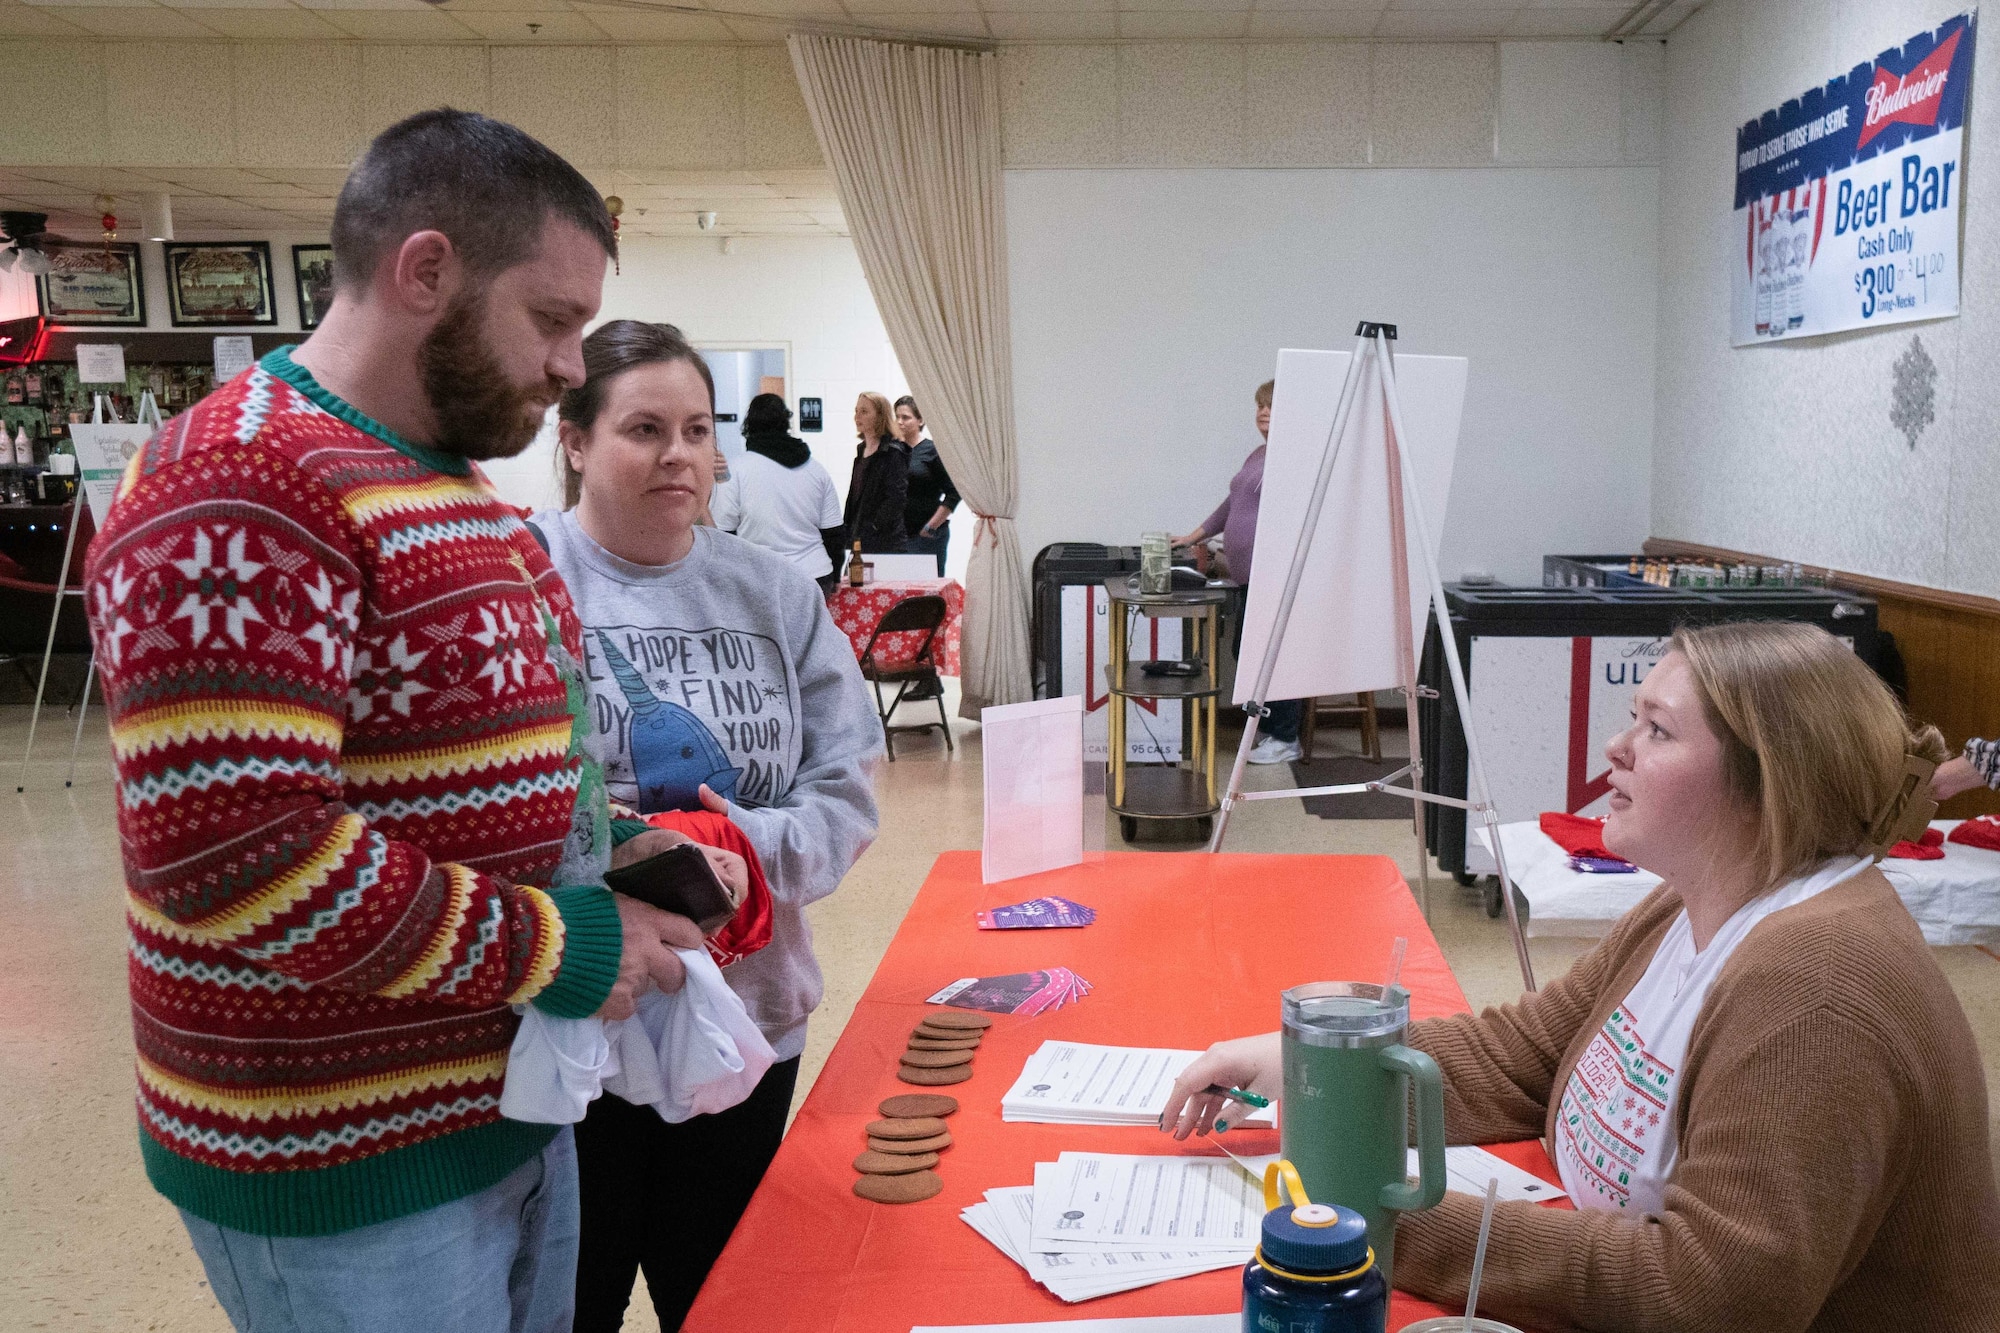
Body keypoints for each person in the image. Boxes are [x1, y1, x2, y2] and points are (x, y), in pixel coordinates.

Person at [81, 110, 717, 1333]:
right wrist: (562, 945)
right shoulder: (244, 479)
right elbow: (234, 853)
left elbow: (453, 765)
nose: (567, 366)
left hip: (497, 1107)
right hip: (339, 1161)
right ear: (424, 270)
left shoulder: (437, 473)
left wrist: (608, 852)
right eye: (550, 319)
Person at [1161, 621, 2000, 1332]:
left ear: (1767, 782)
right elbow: (1523, 1052)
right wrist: (1312, 1065)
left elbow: (1707, 1290)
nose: (1617, 747)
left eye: (1658, 731)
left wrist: (1390, 1220)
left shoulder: (1818, 989)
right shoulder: (1690, 904)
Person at [537, 320, 884, 1332]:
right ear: (574, 438)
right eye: (643, 427)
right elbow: (484, 799)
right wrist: (615, 865)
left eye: (695, 428)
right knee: (572, 1300)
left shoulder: (771, 592)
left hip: (747, 1020)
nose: (677, 453)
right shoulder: (518, 577)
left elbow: (846, 785)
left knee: (725, 1299)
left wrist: (735, 853)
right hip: (579, 1022)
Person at [1172, 379, 1302, 763]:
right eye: (1260, 405)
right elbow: (1231, 505)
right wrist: (1189, 537)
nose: (1262, 411)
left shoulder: (1294, 457)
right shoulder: (1259, 454)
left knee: (1270, 656)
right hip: (1246, 574)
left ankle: (1286, 738)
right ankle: (1269, 727)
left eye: (1272, 406)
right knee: (1245, 650)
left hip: (1275, 574)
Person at [711, 392, 845, 594]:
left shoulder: (737, 470)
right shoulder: (816, 470)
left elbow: (724, 533)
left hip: (759, 579)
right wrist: (835, 576)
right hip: (814, 576)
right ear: (786, 422)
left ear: (749, 425)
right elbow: (834, 532)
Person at [895, 394, 959, 575]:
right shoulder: (894, 451)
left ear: (920, 420)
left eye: (906, 417)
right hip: (899, 535)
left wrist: (931, 526)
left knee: (926, 591)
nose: (900, 422)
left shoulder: (933, 450)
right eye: (897, 417)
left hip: (926, 535)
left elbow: (953, 493)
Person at [843, 390, 908, 555]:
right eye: (856, 411)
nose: (857, 417)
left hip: (885, 540)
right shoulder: (861, 450)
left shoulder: (893, 452)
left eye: (864, 412)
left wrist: (874, 526)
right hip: (860, 537)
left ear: (880, 416)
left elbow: (896, 498)